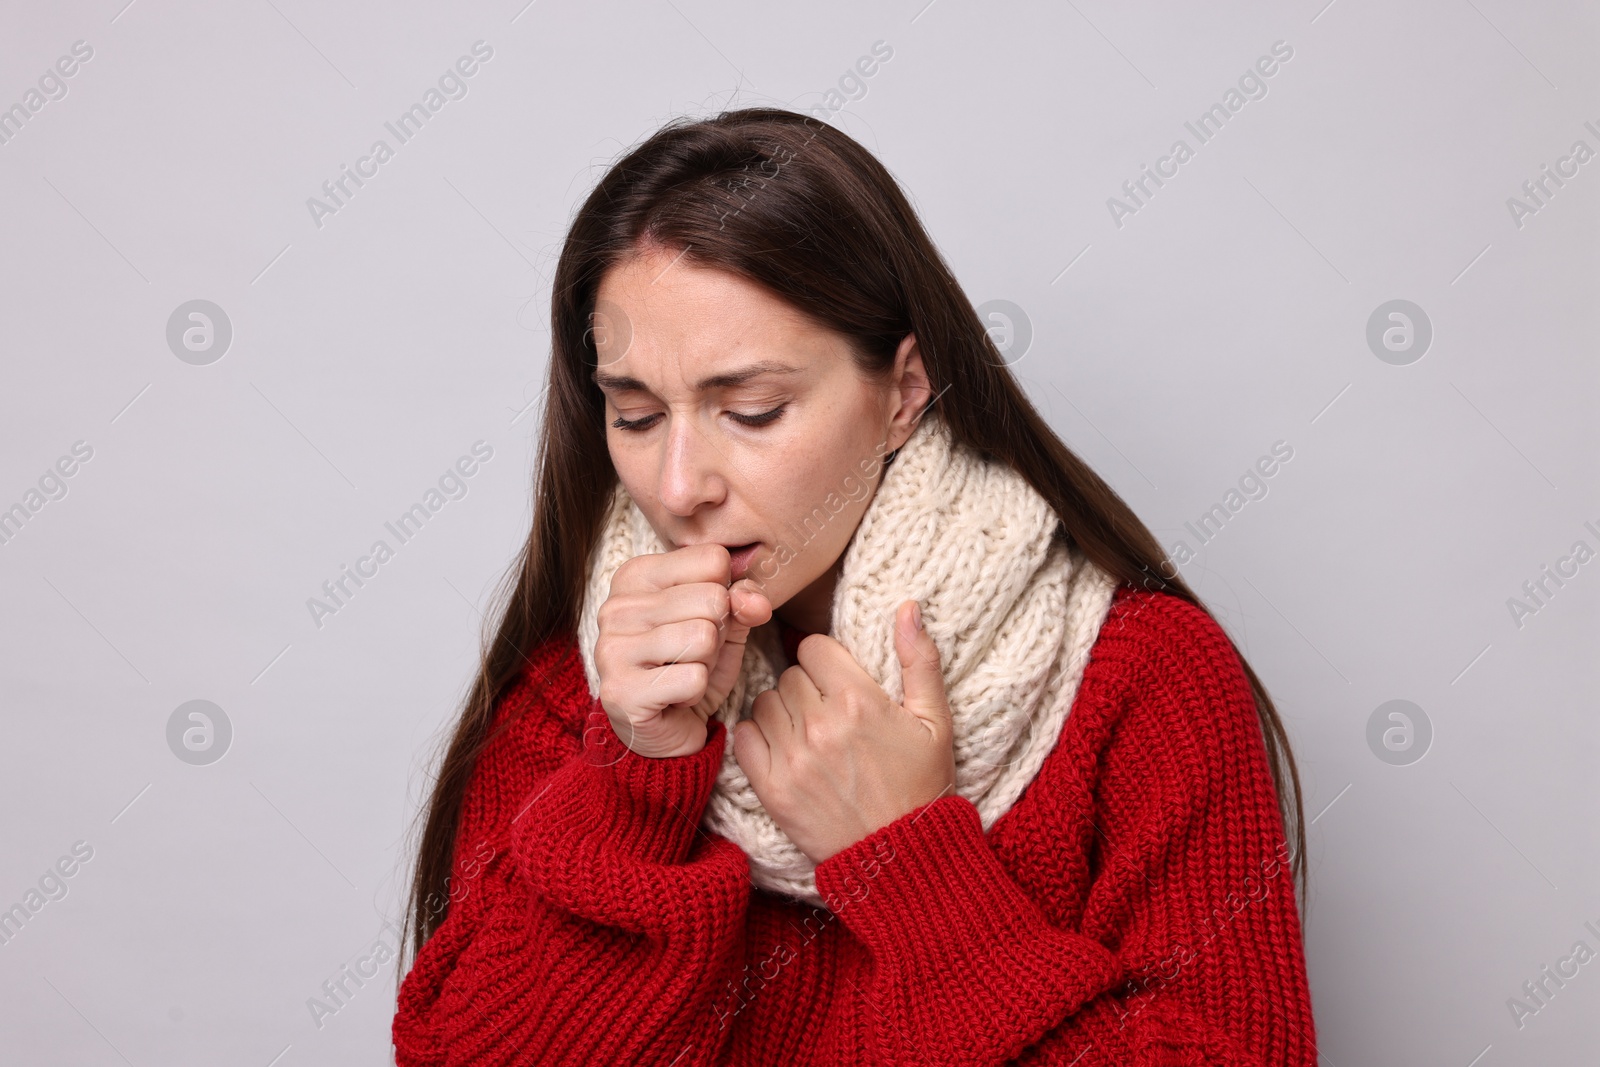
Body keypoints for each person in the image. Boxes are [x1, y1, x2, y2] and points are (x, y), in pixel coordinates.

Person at [390, 107, 1318, 1066]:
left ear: (905, 391)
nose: (679, 487)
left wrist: (912, 863)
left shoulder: (1145, 679)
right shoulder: (589, 681)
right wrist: (638, 781)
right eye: (633, 415)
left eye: (751, 410)